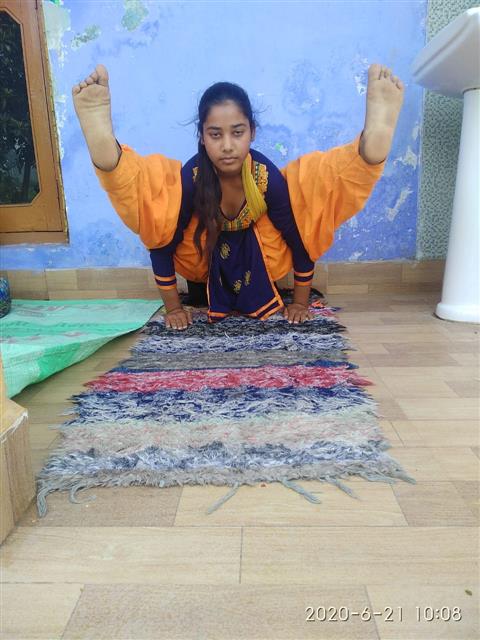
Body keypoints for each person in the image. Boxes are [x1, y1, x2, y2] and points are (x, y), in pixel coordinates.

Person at [72, 63, 404, 329]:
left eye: (237, 133)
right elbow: (163, 244)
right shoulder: (193, 175)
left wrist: (300, 302)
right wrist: (173, 309)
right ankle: (110, 159)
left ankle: (367, 153)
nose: (227, 146)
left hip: (262, 260)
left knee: (307, 193)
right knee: (161, 207)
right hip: (205, 264)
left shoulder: (264, 176)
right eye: (215, 135)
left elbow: (299, 237)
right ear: (202, 137)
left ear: (252, 133)